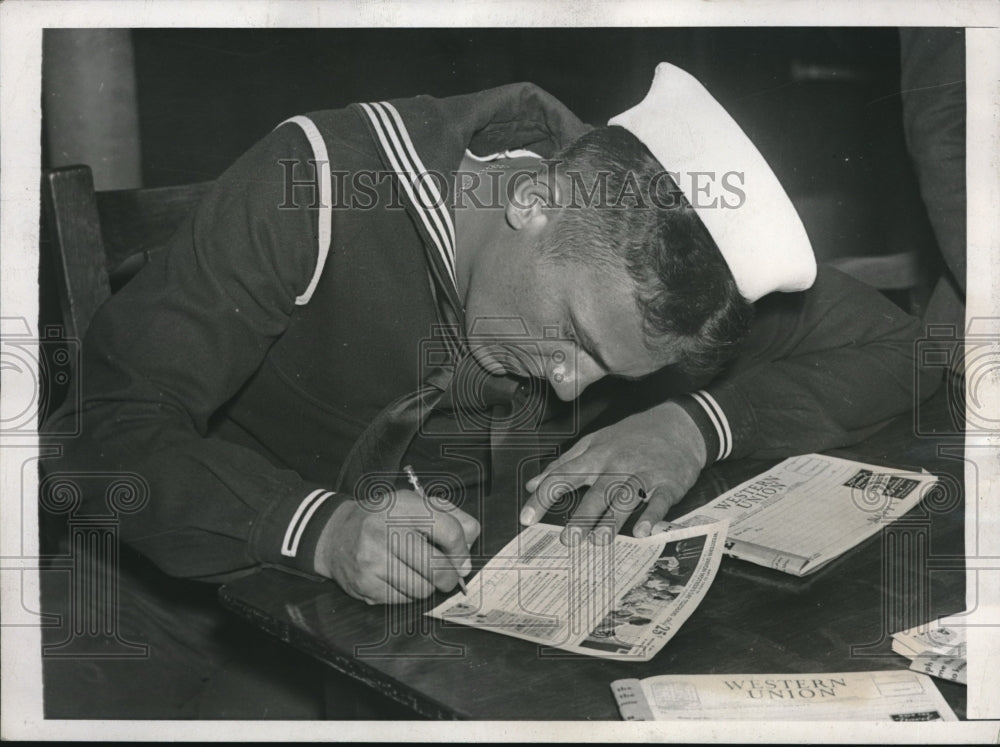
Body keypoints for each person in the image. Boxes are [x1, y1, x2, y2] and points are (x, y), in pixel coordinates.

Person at [41, 62, 938, 715]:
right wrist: (323, 528)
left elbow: (903, 345)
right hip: (171, 594)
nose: (566, 383)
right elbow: (101, 433)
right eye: (575, 338)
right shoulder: (311, 183)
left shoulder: (650, 228)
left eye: (607, 372)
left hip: (434, 639)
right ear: (534, 199)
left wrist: (692, 422)